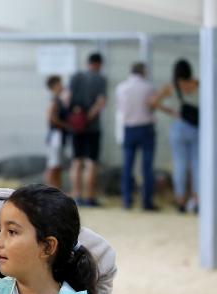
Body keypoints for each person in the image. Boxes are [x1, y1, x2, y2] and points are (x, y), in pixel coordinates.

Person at [150, 58, 200, 213]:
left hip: (178, 127)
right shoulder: (197, 84)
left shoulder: (171, 87)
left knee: (180, 164)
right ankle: (197, 199)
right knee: (197, 165)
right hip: (197, 127)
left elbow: (152, 102)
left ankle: (181, 201)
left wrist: (171, 111)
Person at [115, 62, 158, 210]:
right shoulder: (149, 87)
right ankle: (146, 202)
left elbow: (120, 109)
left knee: (127, 166)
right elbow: (152, 106)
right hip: (146, 128)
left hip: (128, 128)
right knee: (147, 167)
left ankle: (127, 201)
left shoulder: (121, 88)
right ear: (143, 71)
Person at [68, 53, 107, 207]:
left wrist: (77, 119)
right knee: (91, 163)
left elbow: (67, 98)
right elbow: (101, 102)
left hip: (76, 126)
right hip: (92, 127)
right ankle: (90, 197)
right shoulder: (100, 79)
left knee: (76, 161)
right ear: (99, 64)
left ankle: (76, 196)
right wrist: (88, 118)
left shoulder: (76, 76)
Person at [43, 76, 69, 189]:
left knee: (57, 166)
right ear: (54, 86)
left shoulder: (59, 99)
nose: (62, 86)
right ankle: (48, 190)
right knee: (53, 165)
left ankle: (57, 189)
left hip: (59, 136)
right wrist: (66, 125)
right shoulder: (54, 100)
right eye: (60, 83)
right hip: (55, 136)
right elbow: (51, 118)